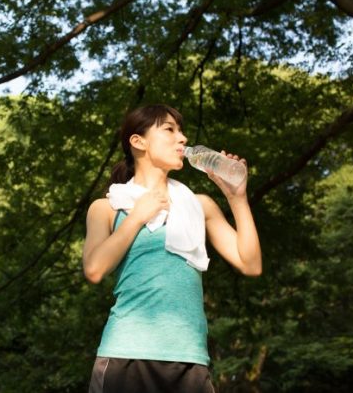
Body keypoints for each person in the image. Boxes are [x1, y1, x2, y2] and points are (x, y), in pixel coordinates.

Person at [83, 104, 262, 393]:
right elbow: (94, 269)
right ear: (138, 142)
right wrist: (139, 215)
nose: (182, 138)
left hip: (190, 358)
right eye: (169, 129)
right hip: (127, 354)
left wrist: (237, 197)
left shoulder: (200, 205)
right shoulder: (106, 207)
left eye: (181, 131)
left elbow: (250, 264)